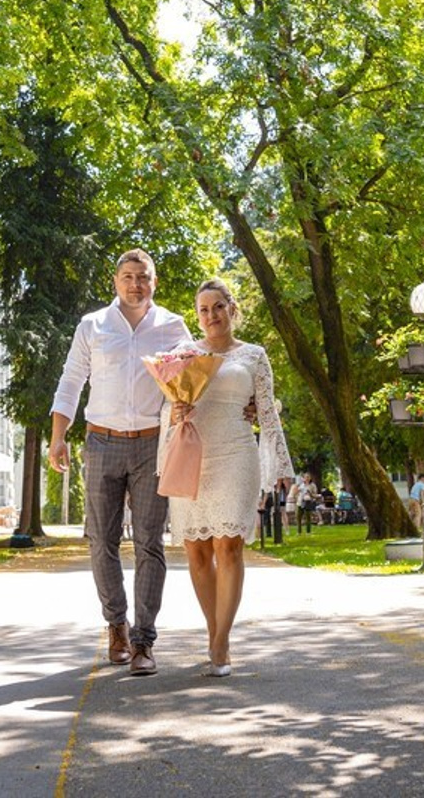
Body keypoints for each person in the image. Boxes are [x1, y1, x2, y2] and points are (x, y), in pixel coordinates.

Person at [49, 249, 192, 677]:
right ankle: (117, 627)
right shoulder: (92, 325)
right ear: (115, 281)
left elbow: (194, 380)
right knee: (101, 540)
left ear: (155, 282)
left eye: (143, 277)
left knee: (150, 543)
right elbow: (71, 380)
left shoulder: (173, 327)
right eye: (128, 276)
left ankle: (145, 640)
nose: (135, 284)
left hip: (153, 445)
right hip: (101, 442)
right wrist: (59, 437)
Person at [162, 279, 294, 677]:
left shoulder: (254, 356)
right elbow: (164, 409)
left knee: (229, 547)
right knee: (197, 552)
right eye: (203, 310)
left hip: (237, 452)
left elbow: (268, 412)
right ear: (197, 316)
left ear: (232, 309)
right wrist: (172, 415)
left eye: (218, 307)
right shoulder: (181, 355)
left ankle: (221, 644)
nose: (211, 316)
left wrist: (281, 464)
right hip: (192, 453)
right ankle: (212, 631)